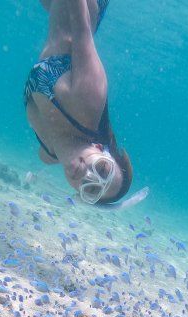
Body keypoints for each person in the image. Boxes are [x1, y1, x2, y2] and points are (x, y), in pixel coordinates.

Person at [24, 0, 133, 205]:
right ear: (100, 148)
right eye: (102, 169)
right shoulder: (88, 98)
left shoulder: (48, 154)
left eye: (91, 189)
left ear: (80, 194)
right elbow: (81, 25)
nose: (88, 176)